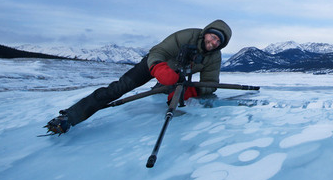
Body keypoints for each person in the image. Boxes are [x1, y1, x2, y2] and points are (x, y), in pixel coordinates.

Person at [45, 20, 232, 135]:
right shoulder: (186, 36)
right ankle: (69, 117)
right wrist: (159, 68)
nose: (213, 42)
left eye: (218, 41)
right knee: (118, 89)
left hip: (177, 77)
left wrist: (193, 90)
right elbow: (158, 51)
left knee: (171, 93)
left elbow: (211, 82)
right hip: (153, 66)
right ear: (206, 32)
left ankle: (162, 88)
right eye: (213, 36)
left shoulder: (214, 56)